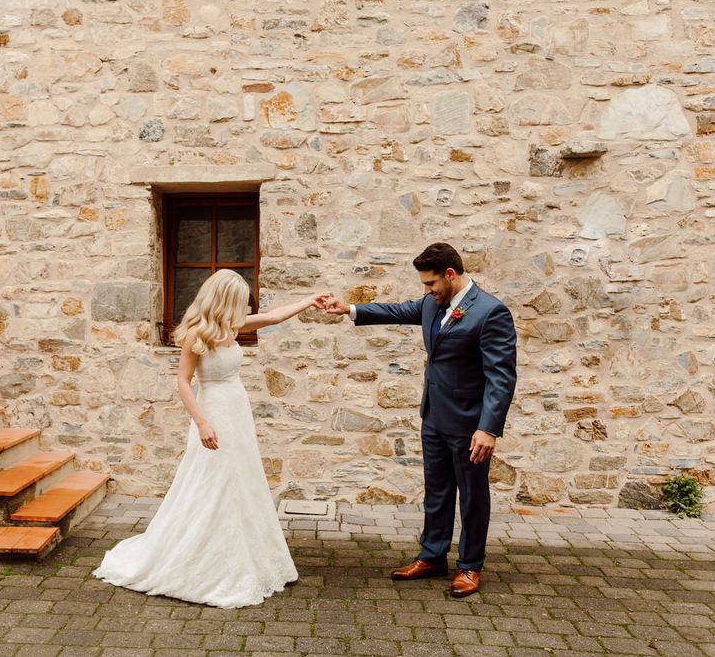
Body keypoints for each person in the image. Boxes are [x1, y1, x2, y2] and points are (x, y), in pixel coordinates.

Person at [94, 269, 330, 608]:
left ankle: (249, 552)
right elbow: (182, 381)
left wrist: (310, 300)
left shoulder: (233, 326)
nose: (244, 308)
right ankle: (202, 556)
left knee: (242, 480)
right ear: (223, 301)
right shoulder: (195, 335)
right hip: (213, 412)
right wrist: (202, 423)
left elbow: (276, 315)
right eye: (238, 302)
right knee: (211, 481)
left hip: (237, 411)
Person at [326, 243, 516, 597]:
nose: (426, 292)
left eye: (430, 284)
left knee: (473, 496)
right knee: (437, 491)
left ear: (450, 274)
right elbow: (397, 311)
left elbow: (501, 377)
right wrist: (349, 309)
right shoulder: (433, 304)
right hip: (434, 417)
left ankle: (470, 566)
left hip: (470, 424)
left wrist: (488, 428)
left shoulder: (491, 313)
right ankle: (432, 556)